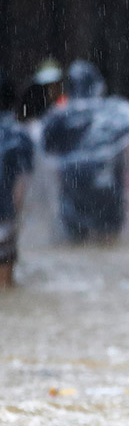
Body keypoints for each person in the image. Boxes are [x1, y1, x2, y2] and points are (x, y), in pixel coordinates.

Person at [40, 60, 129, 242]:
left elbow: (43, 147)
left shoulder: (59, 114)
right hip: (107, 184)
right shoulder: (113, 109)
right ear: (97, 84)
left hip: (73, 185)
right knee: (109, 244)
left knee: (75, 245)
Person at [0, 71, 34, 287]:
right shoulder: (19, 134)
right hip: (4, 216)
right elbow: (21, 184)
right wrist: (15, 217)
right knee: (5, 284)